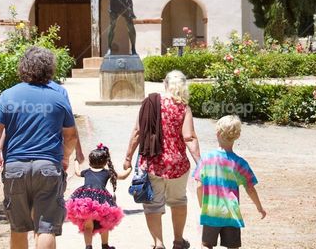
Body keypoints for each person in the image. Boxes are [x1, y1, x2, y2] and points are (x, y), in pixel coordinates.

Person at [0, 47, 78, 249]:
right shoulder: (59, 98)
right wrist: (65, 157)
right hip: (48, 166)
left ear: (23, 68)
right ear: (50, 69)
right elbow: (70, 135)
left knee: (18, 227)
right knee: (46, 226)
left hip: (15, 167)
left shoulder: (8, 95)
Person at [124, 70, 201, 249]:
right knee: (179, 201)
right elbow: (189, 137)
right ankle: (178, 241)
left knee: (152, 205)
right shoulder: (183, 107)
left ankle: (158, 243)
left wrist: (128, 157)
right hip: (177, 165)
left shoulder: (149, 102)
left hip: (153, 163)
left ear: (165, 84)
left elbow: (137, 132)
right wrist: (200, 162)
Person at [193, 115, 266, 249]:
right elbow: (250, 188)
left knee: (206, 244)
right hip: (231, 213)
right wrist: (259, 207)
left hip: (211, 211)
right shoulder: (240, 163)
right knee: (233, 246)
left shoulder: (206, 159)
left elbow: (199, 186)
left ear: (217, 133)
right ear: (237, 136)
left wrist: (202, 206)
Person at [66, 143, 132, 249]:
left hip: (85, 200)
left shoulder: (87, 171)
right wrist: (130, 168)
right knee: (104, 224)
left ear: (90, 161)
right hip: (101, 201)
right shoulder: (107, 172)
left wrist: (76, 161)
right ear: (106, 162)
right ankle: (104, 245)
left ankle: (88, 246)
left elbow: (77, 172)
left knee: (87, 226)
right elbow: (123, 176)